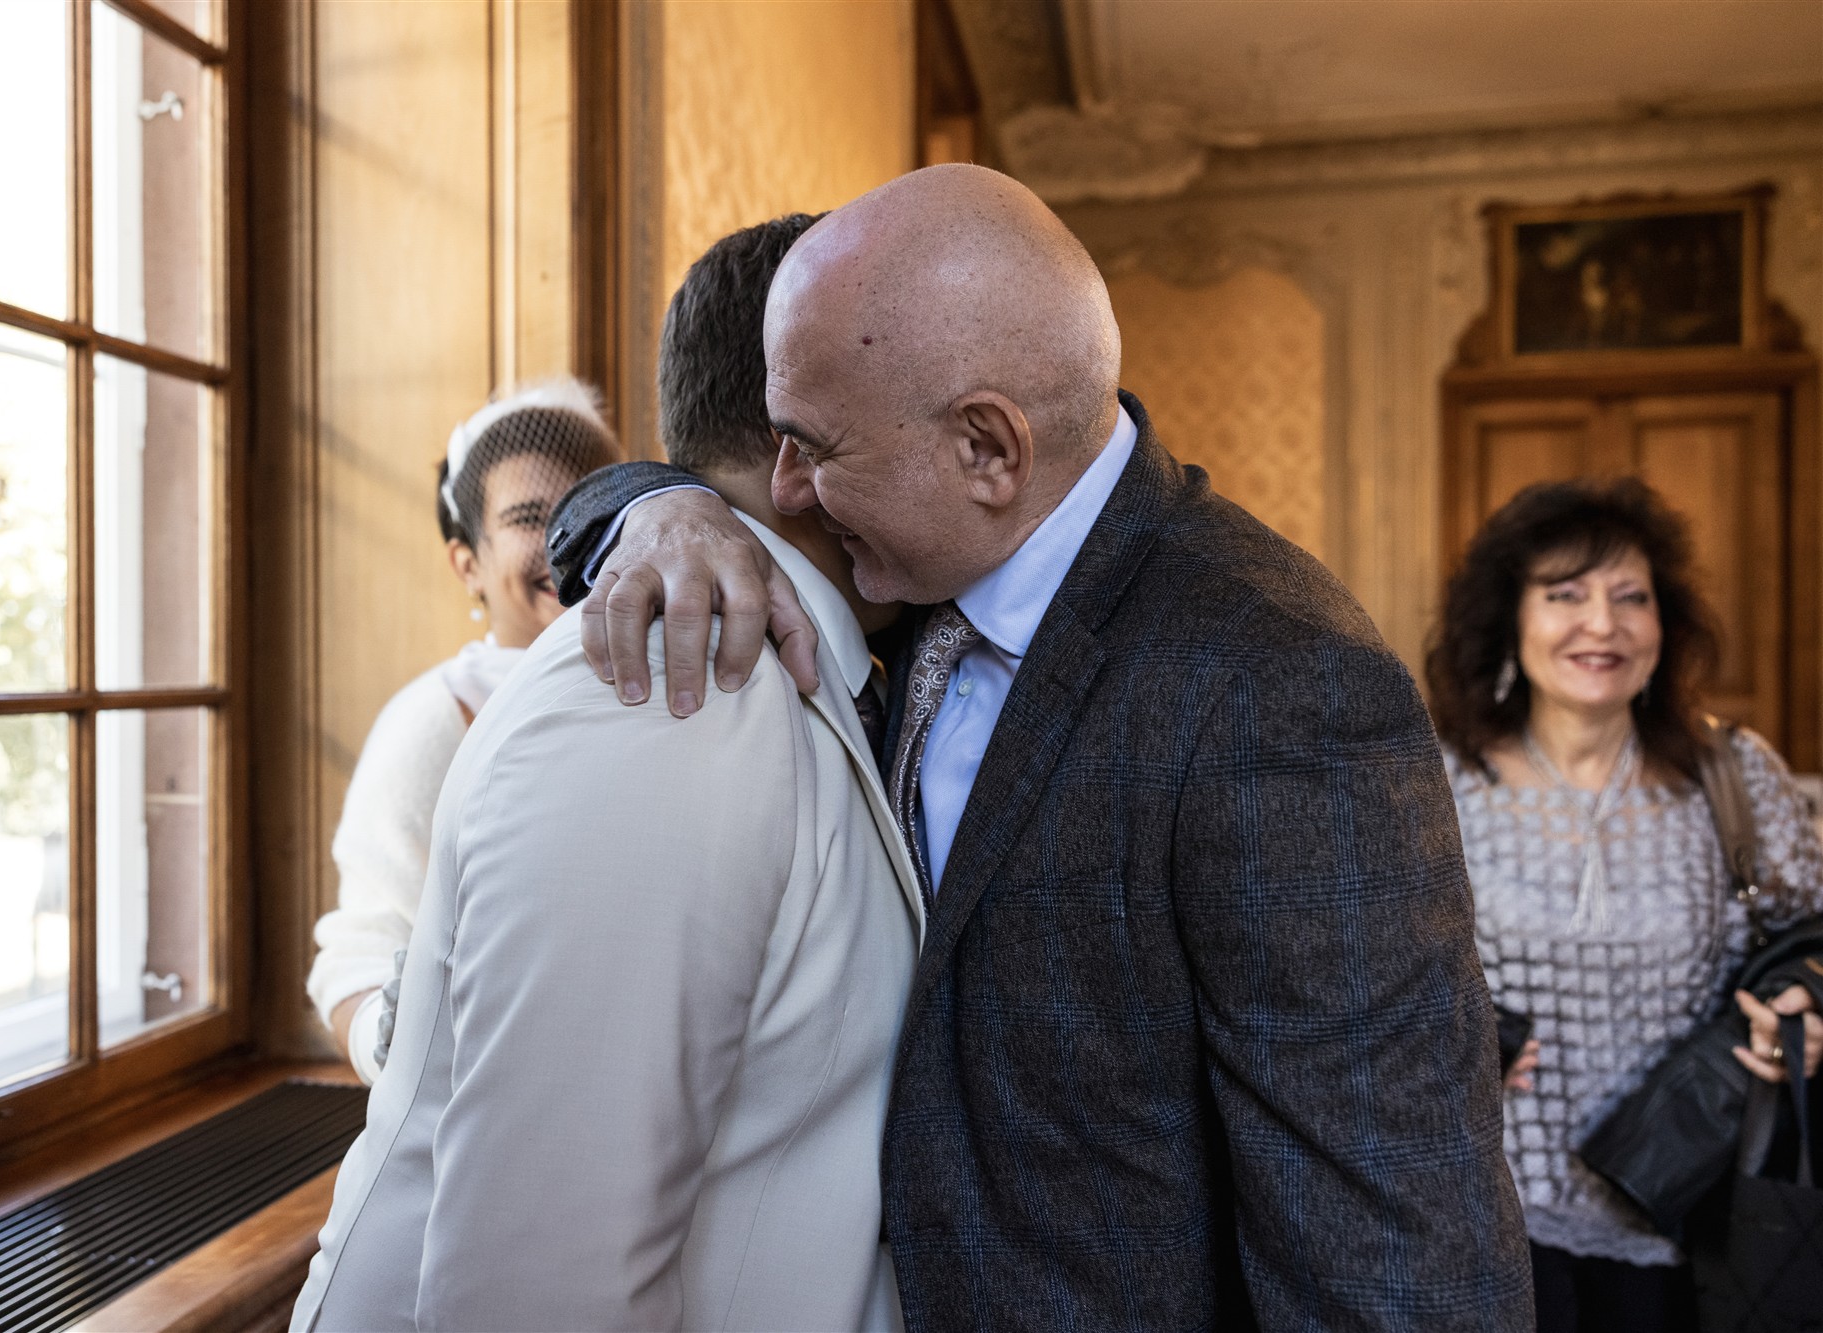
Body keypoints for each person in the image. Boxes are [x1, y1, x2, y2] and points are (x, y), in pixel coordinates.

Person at [546, 164, 1530, 1329]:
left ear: (987, 450)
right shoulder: (915, 571)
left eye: (813, 448)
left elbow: (1393, 1242)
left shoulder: (1277, 687)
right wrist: (656, 503)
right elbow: (667, 499)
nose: (788, 490)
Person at [290, 215, 922, 1331]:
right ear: (804, 442)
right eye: (925, 409)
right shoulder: (671, 687)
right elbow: (534, 1288)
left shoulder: (801, 661)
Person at [1425, 477, 1823, 1333]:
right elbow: (1360, 964)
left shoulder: (1734, 773)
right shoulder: (1434, 777)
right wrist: (1456, 1025)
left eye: (1629, 597)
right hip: (1484, 1219)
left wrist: (1802, 998)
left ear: (1664, 625)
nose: (1601, 624)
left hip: (1690, 1218)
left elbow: (1807, 932)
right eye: (1565, 594)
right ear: (1510, 619)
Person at [304, 379, 618, 1082]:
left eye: (585, 508)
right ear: (468, 563)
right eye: (529, 517)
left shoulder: (668, 680)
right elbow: (360, 948)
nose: (564, 541)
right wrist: (396, 1049)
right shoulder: (433, 721)